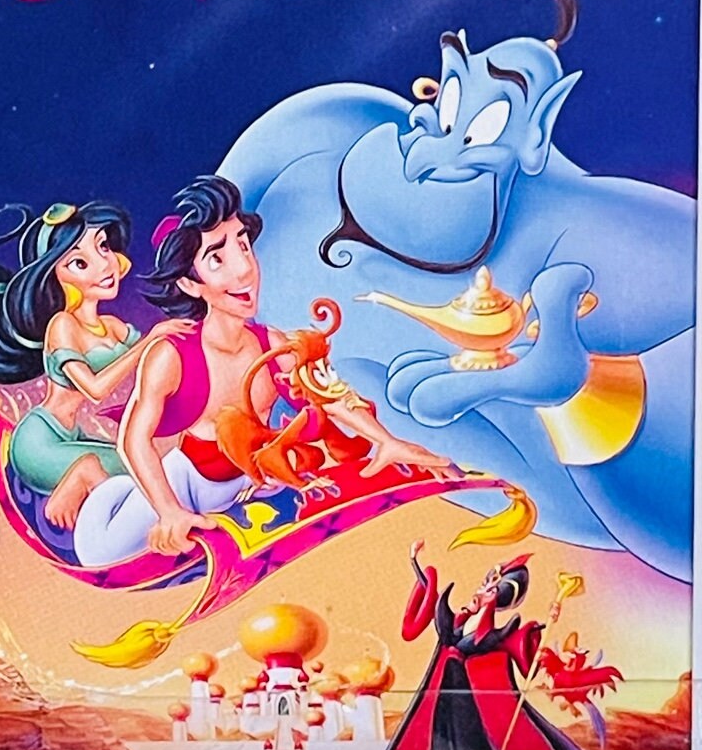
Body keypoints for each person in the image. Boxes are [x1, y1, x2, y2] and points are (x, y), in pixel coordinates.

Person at [72, 176, 446, 570]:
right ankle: (100, 486)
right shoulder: (172, 354)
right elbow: (134, 439)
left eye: (244, 246)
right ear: (189, 284)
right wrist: (168, 510)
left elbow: (329, 397)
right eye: (217, 259)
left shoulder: (272, 344)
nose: (244, 270)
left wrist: (386, 441)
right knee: (99, 553)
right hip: (184, 484)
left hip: (250, 484)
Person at [0, 201, 192, 531]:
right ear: (54, 276)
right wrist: (150, 341)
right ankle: (80, 492)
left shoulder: (112, 326)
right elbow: (95, 389)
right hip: (38, 441)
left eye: (103, 246)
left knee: (142, 463)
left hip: (71, 434)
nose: (103, 264)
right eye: (79, 262)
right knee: (120, 472)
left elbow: (158, 353)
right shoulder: (62, 325)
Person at [373, 544, 597, 750]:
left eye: (491, 587)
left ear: (498, 596)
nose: (482, 589)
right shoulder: (459, 621)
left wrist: (544, 628)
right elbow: (428, 615)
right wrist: (414, 562)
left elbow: (527, 663)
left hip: (468, 708)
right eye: (485, 582)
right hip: (442, 701)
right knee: (440, 749)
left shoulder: (496, 635)